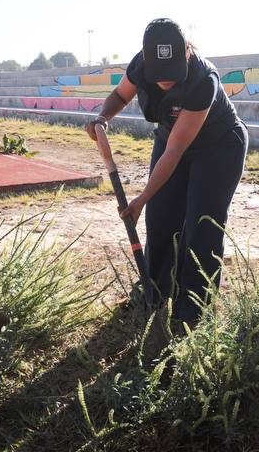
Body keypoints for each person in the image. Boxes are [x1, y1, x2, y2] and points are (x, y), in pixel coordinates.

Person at [85, 19, 247, 325]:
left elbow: (175, 151)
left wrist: (141, 197)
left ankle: (192, 310)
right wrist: (102, 117)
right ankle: (154, 292)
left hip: (218, 146)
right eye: (159, 77)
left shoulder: (203, 80)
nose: (166, 83)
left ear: (185, 55)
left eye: (172, 74)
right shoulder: (139, 66)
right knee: (160, 217)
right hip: (171, 136)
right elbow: (120, 96)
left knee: (202, 225)